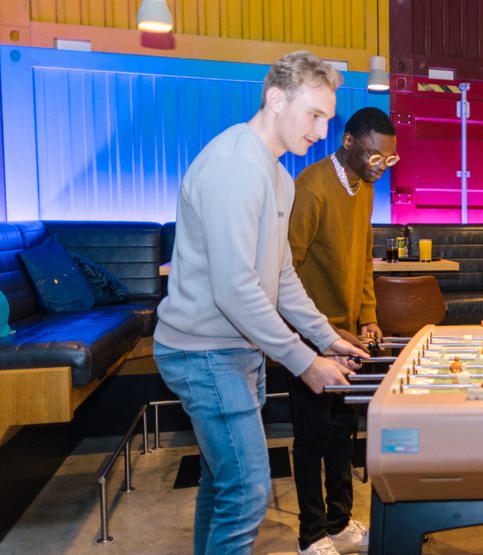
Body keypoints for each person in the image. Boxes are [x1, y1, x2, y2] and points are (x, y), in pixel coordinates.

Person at [153, 50, 368, 555]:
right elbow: (234, 288)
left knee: (222, 484)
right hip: (204, 352)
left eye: (327, 119)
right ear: (275, 99)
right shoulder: (234, 166)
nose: (321, 130)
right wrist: (304, 361)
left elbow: (281, 275)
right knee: (249, 492)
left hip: (235, 350)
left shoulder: (277, 175)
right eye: (313, 115)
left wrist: (326, 336)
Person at [286, 106, 398, 555]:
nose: (380, 166)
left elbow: (363, 259)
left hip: (351, 334)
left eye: (389, 159)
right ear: (349, 142)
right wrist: (319, 329)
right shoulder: (310, 188)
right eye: (374, 155)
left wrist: (367, 315)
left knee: (342, 432)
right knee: (312, 438)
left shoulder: (365, 186)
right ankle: (311, 535)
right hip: (310, 336)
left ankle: (339, 522)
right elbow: (284, 272)